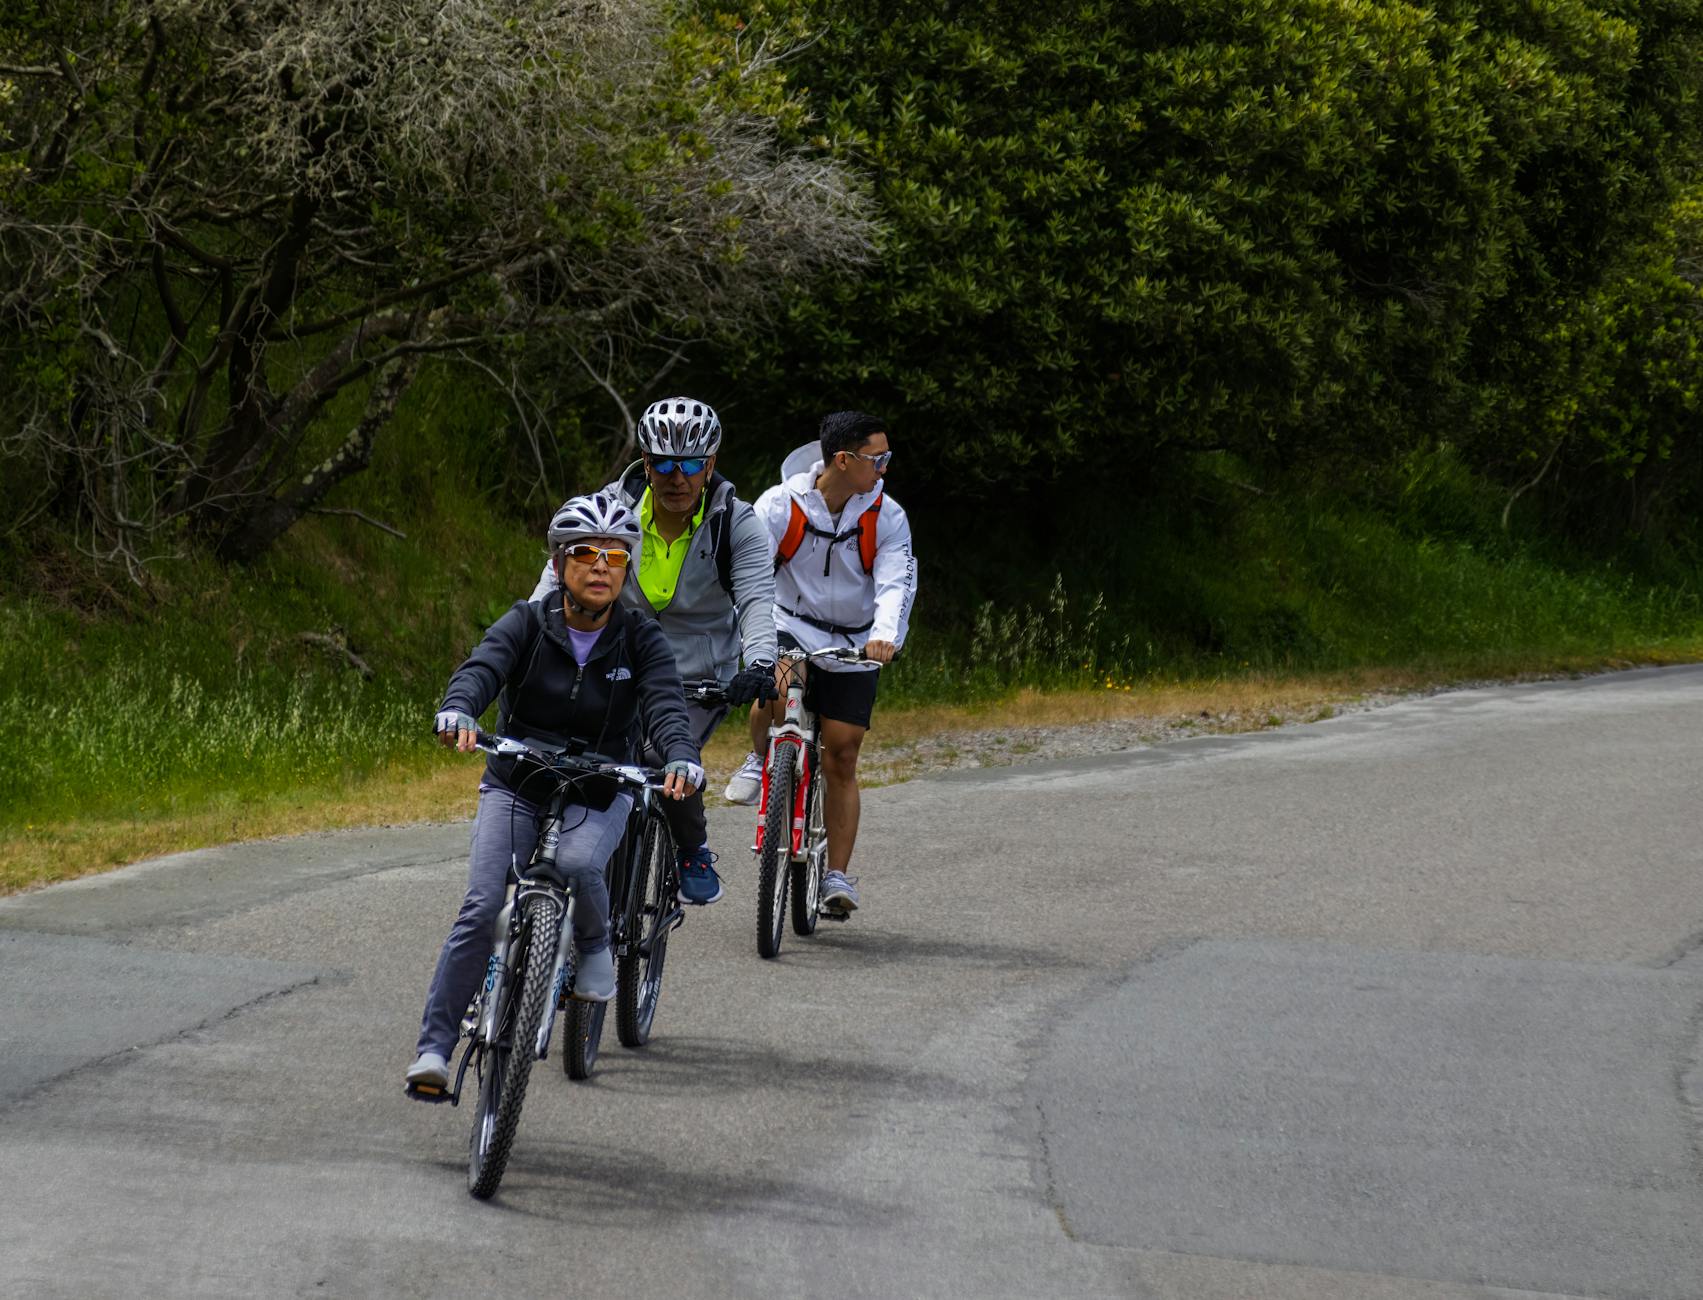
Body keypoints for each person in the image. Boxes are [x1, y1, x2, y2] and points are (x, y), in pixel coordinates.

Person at [406, 493, 703, 1096]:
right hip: (518, 779)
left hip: (602, 786)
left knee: (575, 862)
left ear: (627, 567)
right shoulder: (527, 621)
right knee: (483, 905)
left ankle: (594, 945)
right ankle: (434, 1050)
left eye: (615, 556)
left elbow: (667, 706)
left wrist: (679, 755)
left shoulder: (640, 638)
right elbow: (481, 669)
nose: (600, 566)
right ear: (561, 562)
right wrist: (459, 709)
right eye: (586, 553)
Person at [529, 396, 778, 907]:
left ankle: (692, 846)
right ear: (646, 462)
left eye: (690, 464)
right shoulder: (610, 510)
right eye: (664, 462)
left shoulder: (738, 523)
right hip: (615, 658)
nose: (677, 477)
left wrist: (758, 663)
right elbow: (558, 580)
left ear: (710, 463)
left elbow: (756, 601)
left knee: (662, 754)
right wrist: (530, 633)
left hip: (696, 673)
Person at [732, 410, 917, 917]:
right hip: (789, 620)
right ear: (842, 459)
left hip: (856, 639)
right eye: (877, 458)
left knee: (841, 754)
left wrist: (884, 638)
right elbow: (750, 570)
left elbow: (895, 581)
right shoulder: (779, 504)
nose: (884, 468)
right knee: (775, 686)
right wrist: (748, 633)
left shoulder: (888, 516)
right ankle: (760, 754)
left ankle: (835, 874)